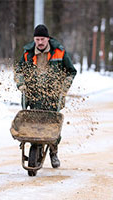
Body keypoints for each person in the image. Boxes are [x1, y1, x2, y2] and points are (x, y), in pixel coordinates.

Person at [14, 24, 77, 168]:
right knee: (33, 124)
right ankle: (35, 147)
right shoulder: (27, 53)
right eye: (37, 39)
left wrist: (64, 88)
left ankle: (53, 152)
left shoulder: (59, 52)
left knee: (52, 126)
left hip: (53, 96)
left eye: (42, 39)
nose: (40, 42)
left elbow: (71, 72)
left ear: (48, 39)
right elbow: (18, 70)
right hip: (33, 96)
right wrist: (21, 84)